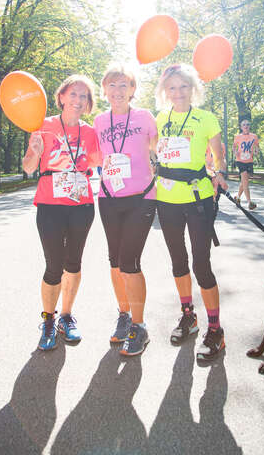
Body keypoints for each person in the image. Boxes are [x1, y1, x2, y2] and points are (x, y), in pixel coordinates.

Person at [155, 63, 228, 362]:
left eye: (183, 86)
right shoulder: (160, 118)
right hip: (166, 198)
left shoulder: (206, 118)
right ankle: (188, 316)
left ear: (192, 87)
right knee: (178, 261)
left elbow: (218, 155)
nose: (178, 92)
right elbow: (153, 153)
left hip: (198, 198)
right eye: (172, 87)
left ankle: (215, 329)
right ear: (164, 91)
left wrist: (219, 173)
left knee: (202, 264)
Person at [22, 74, 100, 351]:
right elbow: (29, 167)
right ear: (62, 96)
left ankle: (66, 316)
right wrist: (34, 151)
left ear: (88, 103)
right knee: (54, 266)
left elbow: (98, 162)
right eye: (74, 94)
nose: (78, 100)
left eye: (84, 96)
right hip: (50, 205)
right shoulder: (42, 126)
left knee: (74, 263)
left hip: (81, 205)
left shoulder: (90, 132)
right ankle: (48, 320)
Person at [93, 64, 157, 356]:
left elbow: (160, 147)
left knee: (130, 261)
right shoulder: (99, 121)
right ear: (104, 90)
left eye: (124, 86)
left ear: (132, 90)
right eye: (112, 85)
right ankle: (124, 315)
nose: (118, 91)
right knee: (115, 261)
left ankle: (140, 326)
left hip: (141, 197)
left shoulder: (144, 117)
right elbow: (94, 155)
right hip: (108, 196)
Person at [233, 120, 259, 210]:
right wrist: (235, 152)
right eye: (244, 125)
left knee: (244, 182)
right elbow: (234, 147)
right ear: (241, 127)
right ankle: (250, 202)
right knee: (245, 182)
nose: (246, 126)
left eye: (247, 124)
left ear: (249, 126)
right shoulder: (237, 137)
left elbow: (257, 146)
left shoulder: (254, 136)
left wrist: (256, 151)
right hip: (240, 161)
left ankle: (237, 197)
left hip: (249, 161)